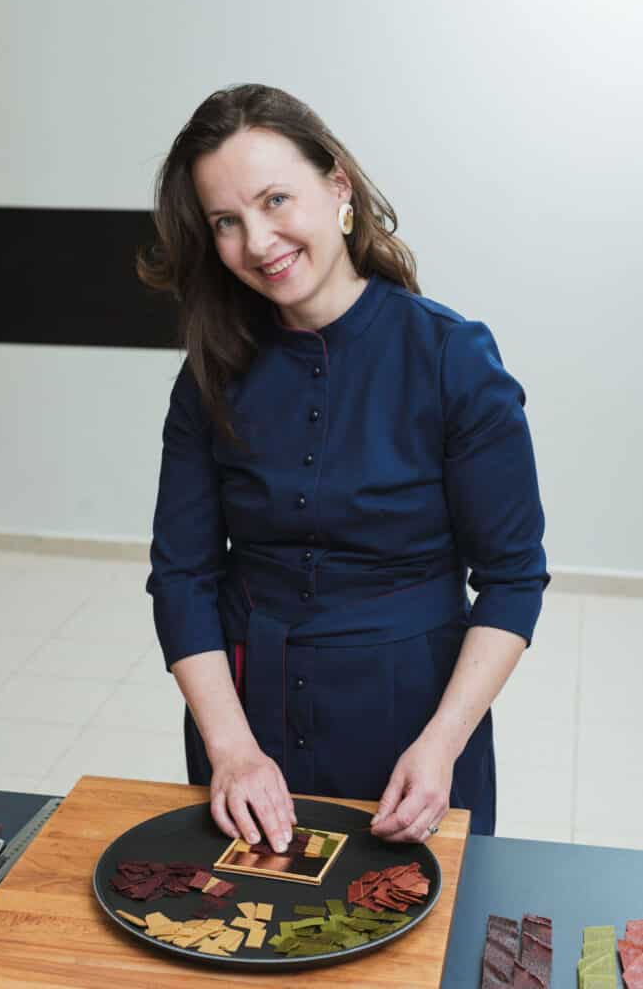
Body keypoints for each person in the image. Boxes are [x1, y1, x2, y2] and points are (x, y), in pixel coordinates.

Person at [139, 83, 550, 856]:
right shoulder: (210, 373)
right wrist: (230, 749)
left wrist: (440, 747)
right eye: (226, 221)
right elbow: (182, 575)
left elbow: (512, 578)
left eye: (275, 200)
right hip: (245, 717)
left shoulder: (451, 357)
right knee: (241, 914)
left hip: (412, 721)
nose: (257, 241)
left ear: (338, 187)